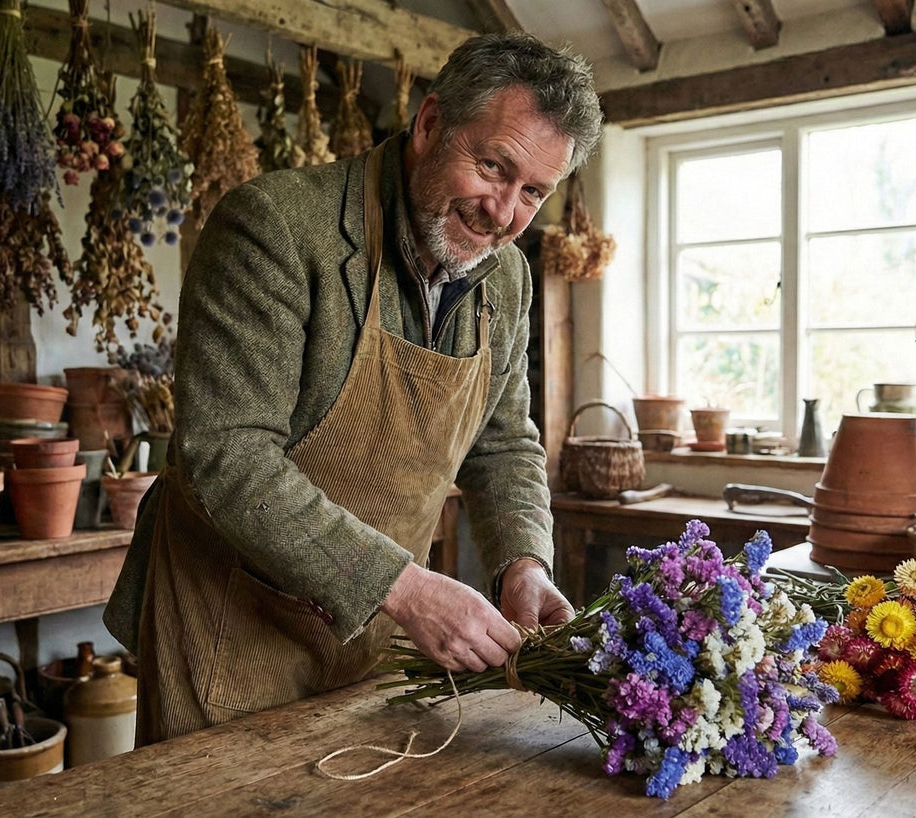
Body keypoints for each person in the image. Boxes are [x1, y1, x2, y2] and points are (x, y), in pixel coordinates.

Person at [103, 32, 604, 744]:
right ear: (430, 124)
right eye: (493, 167)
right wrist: (404, 588)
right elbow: (227, 454)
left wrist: (523, 562)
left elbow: (502, 441)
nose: (503, 213)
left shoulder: (508, 278)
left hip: (376, 633)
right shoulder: (277, 229)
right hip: (231, 622)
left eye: (534, 193)